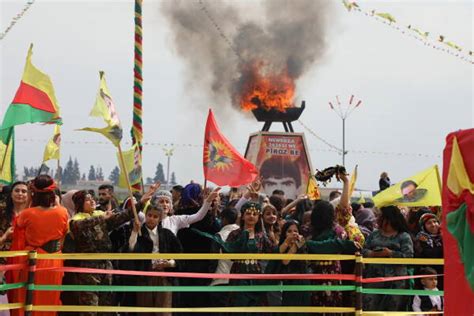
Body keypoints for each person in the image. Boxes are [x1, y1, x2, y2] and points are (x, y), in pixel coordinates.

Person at [63, 189, 139, 315]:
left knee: (106, 305)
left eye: (93, 198)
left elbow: (123, 216)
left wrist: (141, 202)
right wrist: (101, 218)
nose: (92, 201)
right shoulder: (75, 221)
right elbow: (81, 225)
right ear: (79, 203)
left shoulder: (100, 215)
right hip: (89, 267)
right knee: (90, 307)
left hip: (106, 265)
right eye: (87, 199)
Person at [15, 175, 69, 316]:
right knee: (51, 297)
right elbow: (64, 233)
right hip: (54, 259)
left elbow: (18, 224)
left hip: (33, 259)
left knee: (30, 297)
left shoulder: (28, 213)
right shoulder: (62, 212)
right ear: (52, 193)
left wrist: (29, 202)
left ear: (34, 193)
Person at [127, 205, 183, 316]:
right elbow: (130, 250)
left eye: (155, 216)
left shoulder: (167, 234)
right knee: (144, 311)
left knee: (164, 311)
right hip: (144, 277)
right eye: (149, 215)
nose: (151, 219)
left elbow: (180, 255)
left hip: (164, 276)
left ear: (160, 219)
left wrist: (170, 263)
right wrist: (134, 232)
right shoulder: (139, 233)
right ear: (145, 215)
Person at [362, 205, 414, 311]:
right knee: (371, 307)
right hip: (374, 279)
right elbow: (363, 250)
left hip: (396, 281)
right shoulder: (374, 234)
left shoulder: (404, 236)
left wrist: (391, 253)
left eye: (381, 217)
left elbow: (409, 256)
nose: (378, 219)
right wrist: (373, 254)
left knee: (392, 309)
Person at [0, 182, 29, 316]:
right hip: (4, 260)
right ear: (11, 194)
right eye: (17, 190)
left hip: (26, 260)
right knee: (7, 295)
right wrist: (5, 236)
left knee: (23, 295)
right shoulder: (1, 212)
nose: (20, 194)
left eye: (24, 191)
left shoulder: (32, 213)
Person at [209, 207, 239, 312]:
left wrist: (208, 279)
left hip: (220, 279)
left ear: (224, 219)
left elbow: (213, 260)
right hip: (240, 281)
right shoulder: (244, 234)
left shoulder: (219, 236)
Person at [414, 213, 443, 289]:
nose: (433, 225)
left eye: (435, 221)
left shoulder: (443, 237)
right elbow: (431, 255)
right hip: (427, 278)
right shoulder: (420, 239)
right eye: (429, 223)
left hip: (443, 274)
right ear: (423, 227)